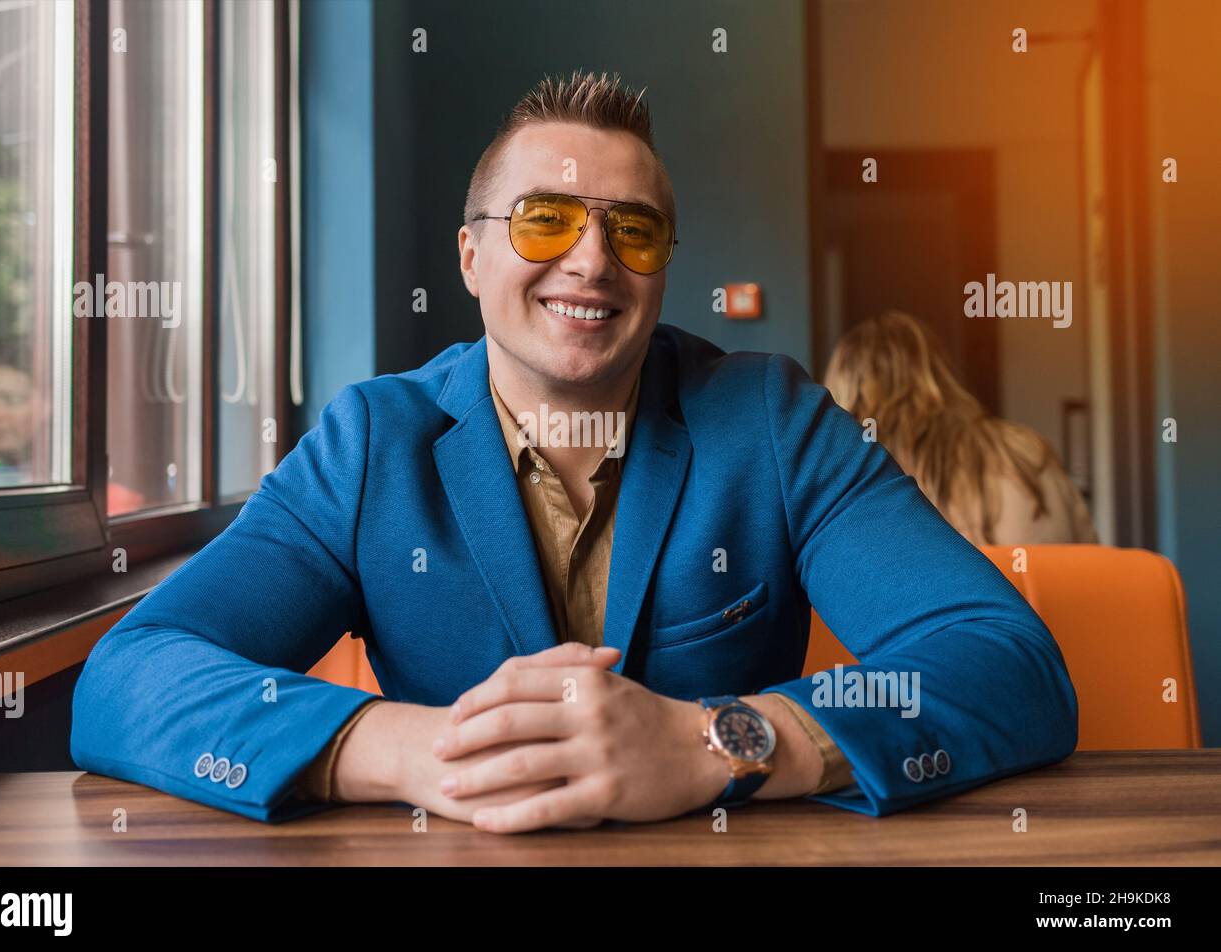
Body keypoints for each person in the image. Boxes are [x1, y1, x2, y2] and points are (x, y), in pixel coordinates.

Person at [71, 70, 1077, 832]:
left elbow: (1008, 663)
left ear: (661, 270)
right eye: (543, 219)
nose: (591, 259)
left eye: (632, 232)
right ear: (471, 255)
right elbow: (128, 678)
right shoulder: (371, 440)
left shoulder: (773, 417)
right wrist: (411, 750)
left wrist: (723, 740)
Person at [822, 310, 1099, 546]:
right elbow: (1093, 562)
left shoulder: (862, 483)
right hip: (1055, 609)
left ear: (846, 393)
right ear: (941, 373)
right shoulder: (1028, 452)